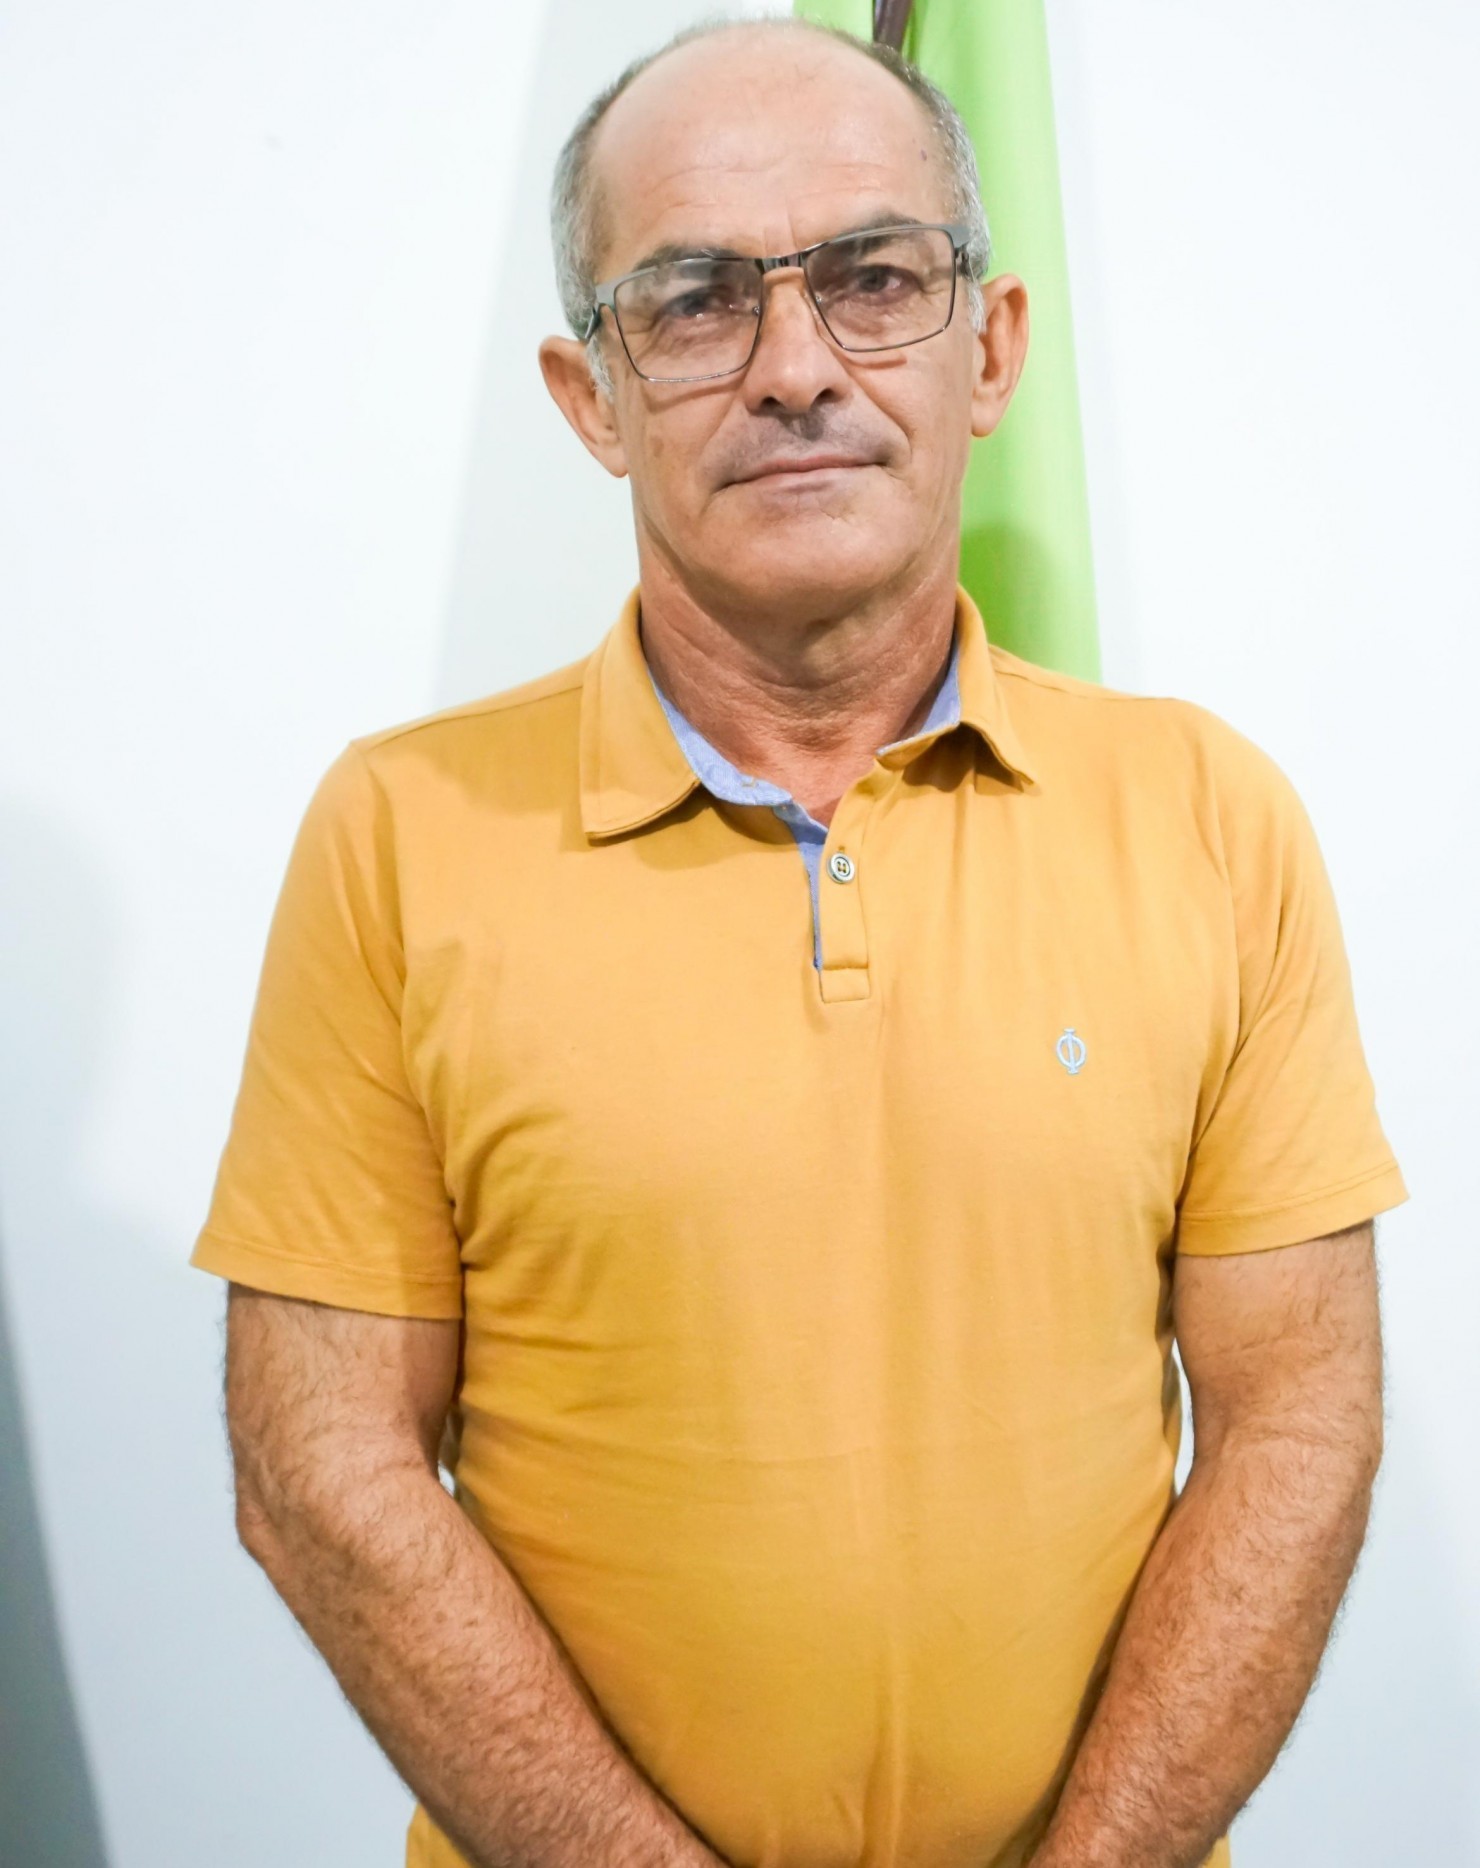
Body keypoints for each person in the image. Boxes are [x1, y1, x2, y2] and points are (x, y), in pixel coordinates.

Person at [192, 18, 1407, 1868]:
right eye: (691, 302)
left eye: (875, 278)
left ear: (989, 347)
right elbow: (318, 1467)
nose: (794, 367)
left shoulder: (1211, 817)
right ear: (588, 395)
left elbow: (1297, 1421)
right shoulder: (398, 837)